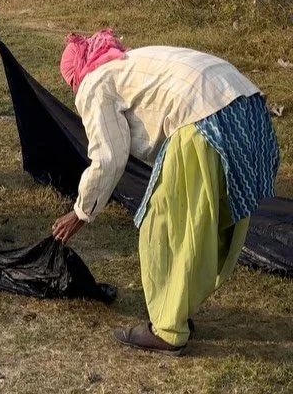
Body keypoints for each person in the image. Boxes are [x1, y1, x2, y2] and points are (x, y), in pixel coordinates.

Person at [51, 31, 279, 356]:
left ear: (76, 76)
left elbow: (108, 158)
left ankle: (168, 330)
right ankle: (179, 308)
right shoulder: (129, 62)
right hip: (247, 109)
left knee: (164, 226)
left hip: (204, 121)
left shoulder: (94, 83)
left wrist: (81, 212)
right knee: (206, 223)